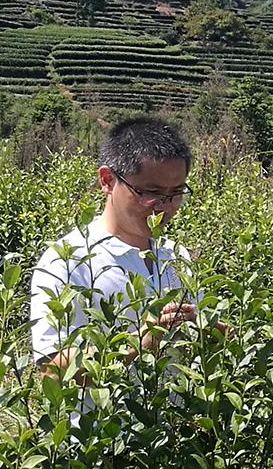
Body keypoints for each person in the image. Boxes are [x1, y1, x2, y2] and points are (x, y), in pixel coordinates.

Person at [30, 116, 197, 373]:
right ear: (107, 180)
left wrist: (208, 330)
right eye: (150, 193)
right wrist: (137, 344)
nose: (165, 207)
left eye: (175, 193)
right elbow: (52, 369)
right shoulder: (67, 260)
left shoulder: (175, 256)